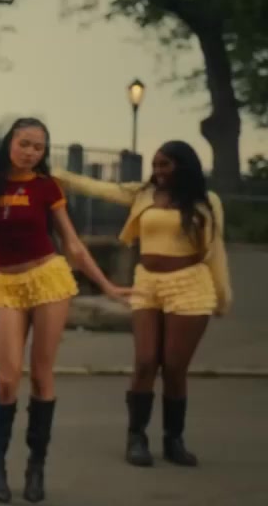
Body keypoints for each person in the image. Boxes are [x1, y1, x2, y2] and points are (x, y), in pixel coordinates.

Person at [0, 118, 130, 504]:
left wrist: (108, 286)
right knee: (5, 381)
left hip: (48, 278)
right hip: (9, 283)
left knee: (40, 375)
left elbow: (73, 245)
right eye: (24, 143)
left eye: (38, 147)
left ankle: (36, 468)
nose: (30, 152)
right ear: (10, 143)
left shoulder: (46, 187)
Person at [53, 141, 231, 467]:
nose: (158, 171)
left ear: (183, 166)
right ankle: (136, 437)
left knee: (174, 367)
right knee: (146, 361)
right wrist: (54, 173)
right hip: (148, 283)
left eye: (165, 165)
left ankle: (174, 440)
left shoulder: (207, 202)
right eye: (155, 164)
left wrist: (222, 296)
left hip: (190, 285)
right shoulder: (143, 194)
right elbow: (98, 188)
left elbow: (216, 251)